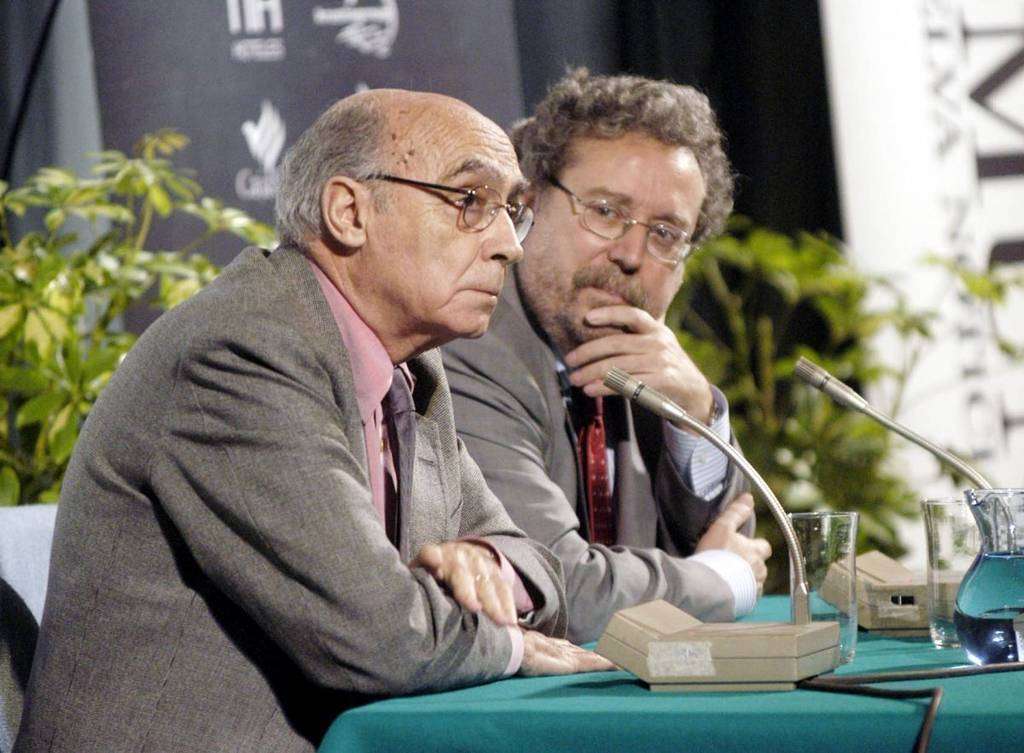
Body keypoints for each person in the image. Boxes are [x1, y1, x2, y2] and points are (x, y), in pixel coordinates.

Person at [14, 89, 610, 753]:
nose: (509, 246)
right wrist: (508, 644)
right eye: (471, 201)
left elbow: (536, 562)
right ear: (349, 212)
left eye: (512, 211)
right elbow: (380, 635)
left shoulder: (414, 369)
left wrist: (487, 561)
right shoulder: (241, 351)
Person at [443, 70, 772, 643]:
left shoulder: (642, 360)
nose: (629, 254)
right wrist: (719, 579)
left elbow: (730, 533)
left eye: (666, 234)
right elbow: (556, 585)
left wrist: (695, 416)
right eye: (605, 211)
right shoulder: (469, 350)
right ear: (529, 201)